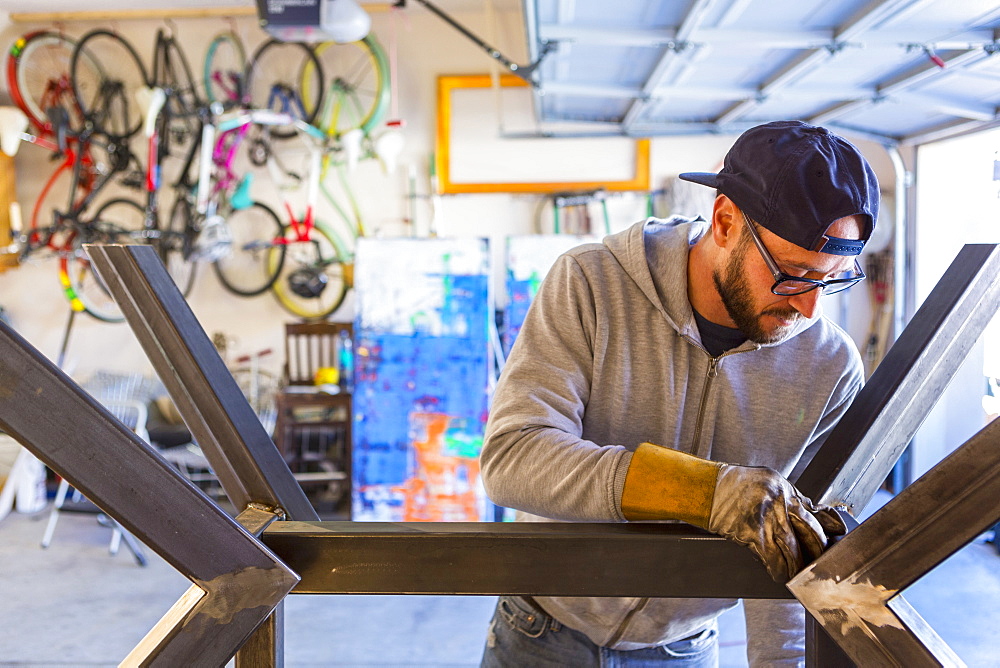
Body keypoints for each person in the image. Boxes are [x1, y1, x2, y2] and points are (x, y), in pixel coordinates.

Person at [479, 120, 880, 667]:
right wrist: (705, 493)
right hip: (545, 631)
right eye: (792, 274)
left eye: (831, 279)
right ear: (724, 221)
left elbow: (795, 551)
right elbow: (513, 457)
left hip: (682, 650)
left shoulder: (830, 366)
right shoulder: (591, 284)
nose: (809, 309)